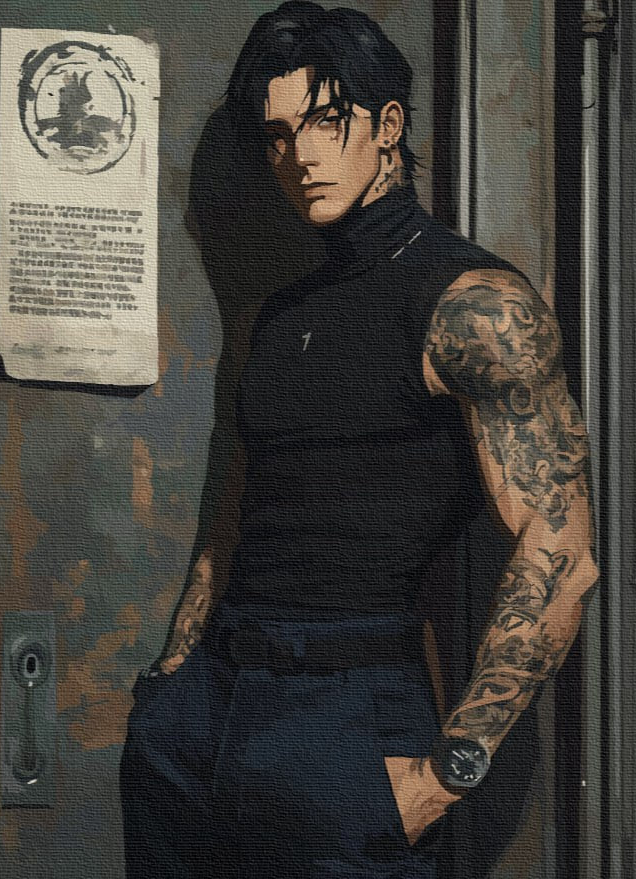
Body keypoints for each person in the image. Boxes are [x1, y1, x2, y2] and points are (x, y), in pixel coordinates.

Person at [119, 4, 598, 877]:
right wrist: (171, 680)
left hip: (347, 717)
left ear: (388, 126)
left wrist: (447, 773)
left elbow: (562, 552)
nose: (299, 156)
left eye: (325, 122)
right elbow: (234, 520)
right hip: (201, 717)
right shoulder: (270, 319)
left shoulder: (475, 307)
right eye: (277, 136)